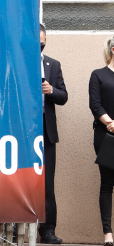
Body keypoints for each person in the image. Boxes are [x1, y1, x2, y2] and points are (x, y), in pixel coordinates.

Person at [40, 23, 67, 244]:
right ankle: (13, 226)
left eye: (43, 42)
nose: (40, 46)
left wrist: (51, 91)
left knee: (47, 182)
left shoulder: (53, 65)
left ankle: (47, 229)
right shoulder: (17, 62)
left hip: (46, 130)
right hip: (21, 130)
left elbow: (64, 96)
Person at [89, 35, 114, 246]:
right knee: (107, 185)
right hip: (106, 135)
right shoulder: (98, 75)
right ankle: (108, 234)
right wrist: (110, 123)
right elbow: (95, 105)